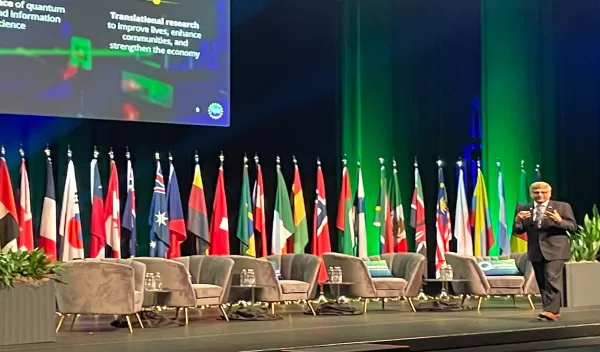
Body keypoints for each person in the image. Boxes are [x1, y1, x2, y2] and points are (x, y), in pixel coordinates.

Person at [513, 181, 577, 321]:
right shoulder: (524, 209)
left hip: (556, 250)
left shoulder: (562, 206)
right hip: (536, 250)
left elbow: (572, 227)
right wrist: (517, 221)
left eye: (543, 192)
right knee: (542, 281)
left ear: (550, 193)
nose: (540, 195)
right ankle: (549, 310)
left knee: (551, 278)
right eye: (536, 192)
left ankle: (551, 311)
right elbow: (518, 231)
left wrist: (559, 221)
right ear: (531, 194)